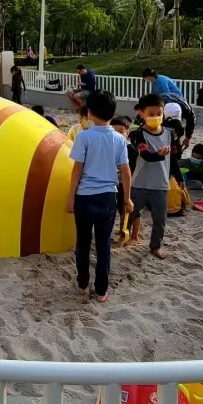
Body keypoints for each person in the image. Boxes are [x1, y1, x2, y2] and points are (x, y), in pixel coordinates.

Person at [66, 90, 133, 303]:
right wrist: (127, 198)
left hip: (85, 197)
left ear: (90, 113)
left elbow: (77, 169)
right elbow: (126, 171)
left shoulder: (84, 137)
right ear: (113, 113)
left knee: (83, 243)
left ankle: (83, 284)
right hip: (108, 198)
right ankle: (102, 291)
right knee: (104, 245)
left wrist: (71, 196)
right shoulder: (120, 139)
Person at [128, 93, 184, 260]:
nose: (156, 117)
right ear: (141, 113)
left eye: (159, 113)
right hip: (140, 182)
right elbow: (146, 155)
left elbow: (173, 159)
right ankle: (126, 235)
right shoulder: (138, 134)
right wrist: (159, 154)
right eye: (151, 114)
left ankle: (155, 246)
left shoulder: (169, 134)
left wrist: (179, 179)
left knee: (160, 218)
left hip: (160, 183)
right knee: (130, 213)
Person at [111, 115, 140, 244]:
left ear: (127, 132)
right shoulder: (113, 146)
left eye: (121, 131)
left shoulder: (131, 149)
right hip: (118, 182)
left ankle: (135, 236)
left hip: (130, 183)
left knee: (133, 210)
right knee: (121, 207)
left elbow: (132, 168)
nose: (117, 134)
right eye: (114, 131)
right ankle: (123, 229)